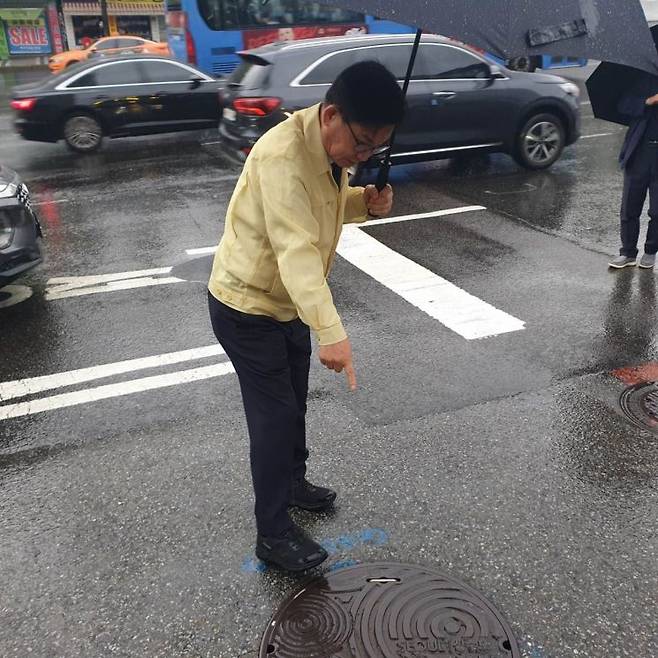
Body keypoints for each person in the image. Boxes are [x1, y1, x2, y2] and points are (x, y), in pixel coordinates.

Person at [207, 61, 405, 572]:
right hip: (246, 306)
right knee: (274, 419)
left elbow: (325, 206)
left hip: (286, 302)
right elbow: (295, 248)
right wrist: (331, 331)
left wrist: (364, 201)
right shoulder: (282, 156)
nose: (364, 156)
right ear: (331, 115)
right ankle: (272, 535)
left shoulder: (334, 150)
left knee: (293, 403)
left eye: (374, 150)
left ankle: (293, 483)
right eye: (361, 144)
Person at [609, 73, 658, 270]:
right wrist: (649, 100)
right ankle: (627, 252)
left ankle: (651, 250)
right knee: (630, 206)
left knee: (657, 210)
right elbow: (623, 105)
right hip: (640, 151)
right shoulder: (643, 78)